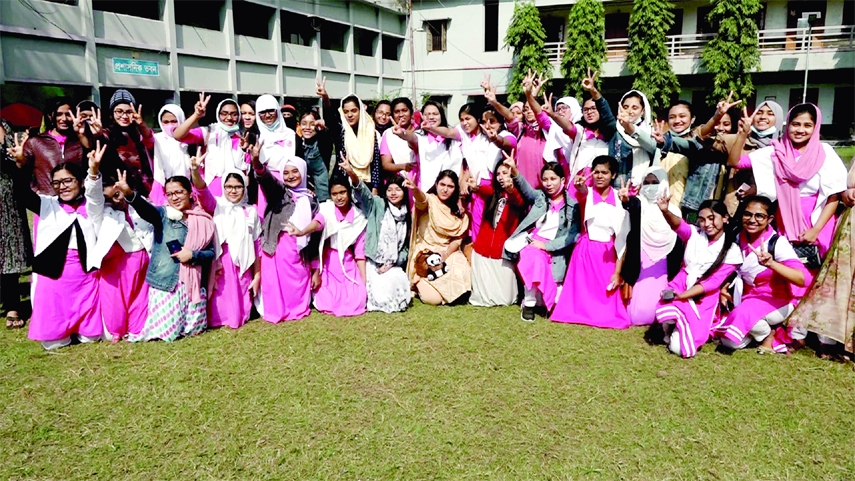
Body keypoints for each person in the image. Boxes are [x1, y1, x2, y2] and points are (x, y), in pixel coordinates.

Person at [729, 103, 847, 296]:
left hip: (818, 220)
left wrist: (815, 229)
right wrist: (743, 133)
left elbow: (833, 195)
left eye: (807, 125)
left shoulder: (824, 153)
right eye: (795, 124)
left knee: (817, 272)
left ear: (815, 127)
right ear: (787, 124)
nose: (800, 130)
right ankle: (785, 318)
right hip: (785, 218)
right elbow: (735, 162)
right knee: (788, 268)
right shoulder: (775, 151)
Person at [11, 158, 102, 349]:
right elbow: (21, 192)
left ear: (81, 181)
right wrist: (21, 166)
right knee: (54, 343)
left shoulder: (93, 206)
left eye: (68, 180)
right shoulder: (46, 204)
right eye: (57, 183)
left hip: (85, 277)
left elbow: (95, 193)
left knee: (91, 338)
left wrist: (93, 171)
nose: (63, 187)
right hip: (52, 276)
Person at [118, 169, 216, 343]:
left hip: (193, 284)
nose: (175, 197)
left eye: (179, 192)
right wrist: (129, 194)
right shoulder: (163, 214)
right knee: (166, 334)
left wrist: (192, 255)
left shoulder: (203, 219)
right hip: (166, 282)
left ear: (190, 193)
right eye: (170, 194)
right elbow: (146, 210)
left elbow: (210, 253)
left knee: (194, 331)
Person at [714, 196, 806, 353]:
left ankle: (769, 335)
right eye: (747, 214)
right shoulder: (736, 235)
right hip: (746, 295)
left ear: (769, 219)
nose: (752, 220)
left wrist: (771, 264)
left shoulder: (777, 243)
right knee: (729, 342)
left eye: (759, 216)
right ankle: (760, 332)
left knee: (744, 316)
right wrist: (724, 287)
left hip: (777, 299)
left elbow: (801, 278)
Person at [653, 199, 742, 358]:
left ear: (725, 218)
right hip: (681, 284)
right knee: (669, 312)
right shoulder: (694, 234)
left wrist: (683, 296)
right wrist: (665, 210)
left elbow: (712, 283)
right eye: (702, 219)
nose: (706, 224)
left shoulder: (732, 251)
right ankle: (672, 326)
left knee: (680, 348)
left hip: (703, 297)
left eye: (711, 218)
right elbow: (678, 225)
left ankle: (681, 328)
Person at [786, 158, 855, 358]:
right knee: (839, 280)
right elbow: (842, 185)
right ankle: (832, 338)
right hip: (850, 227)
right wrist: (846, 193)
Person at [419, 102, 516, 241]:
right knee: (476, 227)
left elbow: (506, 143)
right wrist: (432, 129)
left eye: (468, 119)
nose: (464, 123)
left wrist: (494, 138)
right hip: (476, 189)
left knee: (494, 226)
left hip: (494, 187)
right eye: (462, 119)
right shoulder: (464, 134)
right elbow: (448, 133)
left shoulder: (494, 136)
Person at [551, 156, 629, 328]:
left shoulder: (619, 198)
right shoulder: (588, 194)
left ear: (613, 175)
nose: (600, 176)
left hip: (608, 253)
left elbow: (622, 239)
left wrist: (617, 272)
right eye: (596, 172)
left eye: (604, 173)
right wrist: (579, 185)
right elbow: (582, 191)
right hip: (585, 250)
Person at [87, 142, 154, 341]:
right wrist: (93, 172)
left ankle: (135, 330)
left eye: (118, 194)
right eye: (110, 197)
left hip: (142, 260)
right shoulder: (101, 213)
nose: (116, 200)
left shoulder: (138, 205)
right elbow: (93, 197)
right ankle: (116, 332)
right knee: (114, 302)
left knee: (140, 299)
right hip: (114, 265)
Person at [250, 144, 315, 323]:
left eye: (295, 171)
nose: (291, 176)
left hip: (299, 250)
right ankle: (277, 310)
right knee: (275, 281)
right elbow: (266, 180)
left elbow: (316, 232)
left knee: (296, 279)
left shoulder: (310, 199)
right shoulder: (279, 192)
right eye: (286, 173)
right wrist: (256, 162)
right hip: (277, 246)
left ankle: (296, 307)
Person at [193, 160, 261, 329]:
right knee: (220, 290)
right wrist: (195, 172)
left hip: (243, 261)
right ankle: (218, 319)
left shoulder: (251, 211)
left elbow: (257, 244)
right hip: (221, 259)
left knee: (240, 289)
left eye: (238, 187)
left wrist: (258, 274)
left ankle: (240, 316)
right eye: (229, 187)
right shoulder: (217, 205)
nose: (233, 191)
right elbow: (202, 191)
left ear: (244, 189)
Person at [290, 173, 368, 317]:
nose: (339, 197)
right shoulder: (326, 209)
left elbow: (359, 254)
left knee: (358, 298)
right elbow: (317, 223)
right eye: (335, 194)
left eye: (342, 192)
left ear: (349, 192)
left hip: (347, 262)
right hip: (327, 261)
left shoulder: (359, 217)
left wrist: (364, 283)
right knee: (326, 299)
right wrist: (302, 232)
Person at [341, 158, 412, 313]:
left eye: (397, 189)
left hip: (392, 264)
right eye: (390, 190)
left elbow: (406, 248)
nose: (393, 193)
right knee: (380, 297)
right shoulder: (378, 205)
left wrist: (393, 263)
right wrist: (352, 173)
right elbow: (363, 192)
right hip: (373, 261)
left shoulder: (407, 215)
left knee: (397, 284)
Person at [621, 167, 682, 326]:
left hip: (663, 263)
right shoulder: (640, 205)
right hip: (641, 260)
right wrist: (626, 200)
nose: (650, 186)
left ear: (663, 183)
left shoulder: (674, 210)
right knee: (637, 313)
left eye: (655, 182)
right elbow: (631, 205)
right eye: (646, 183)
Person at [406, 170, 470, 305]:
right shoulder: (430, 201)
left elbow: (457, 238)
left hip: (447, 250)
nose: (445, 189)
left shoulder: (458, 211)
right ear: (436, 184)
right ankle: (419, 281)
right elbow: (421, 200)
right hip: (425, 251)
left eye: (450, 186)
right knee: (433, 299)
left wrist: (446, 253)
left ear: (455, 189)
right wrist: (415, 189)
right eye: (442, 184)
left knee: (460, 271)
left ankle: (444, 291)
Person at [468, 160, 525, 307]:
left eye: (505, 173)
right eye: (498, 174)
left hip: (503, 250)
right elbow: (483, 189)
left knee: (506, 298)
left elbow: (518, 200)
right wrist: (476, 187)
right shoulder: (493, 193)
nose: (501, 177)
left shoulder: (518, 195)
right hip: (483, 247)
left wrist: (511, 189)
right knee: (482, 293)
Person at [173, 94, 248, 198]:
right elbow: (177, 135)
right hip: (212, 193)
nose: (229, 118)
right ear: (218, 114)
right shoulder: (208, 132)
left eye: (234, 114)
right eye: (224, 114)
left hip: (237, 195)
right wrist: (197, 115)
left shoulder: (244, 137)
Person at [716, 100, 784, 215]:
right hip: (736, 208)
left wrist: (757, 189)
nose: (763, 117)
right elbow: (702, 140)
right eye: (759, 112)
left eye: (770, 113)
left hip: (770, 211)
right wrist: (717, 115)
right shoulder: (737, 139)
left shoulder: (782, 148)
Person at [14, 98, 92, 195]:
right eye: (59, 114)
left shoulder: (80, 140)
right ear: (50, 116)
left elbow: (92, 165)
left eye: (68, 114)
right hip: (48, 200)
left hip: (77, 201)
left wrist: (82, 136)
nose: (64, 119)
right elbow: (23, 173)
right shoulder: (36, 142)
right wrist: (36, 191)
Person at [316, 78, 382, 189]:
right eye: (346, 112)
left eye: (354, 111)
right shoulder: (341, 131)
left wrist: (375, 188)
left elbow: (375, 162)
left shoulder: (370, 131)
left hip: (367, 184)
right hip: (344, 184)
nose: (349, 115)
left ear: (360, 111)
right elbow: (330, 119)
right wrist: (325, 97)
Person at [484, 73, 546, 187]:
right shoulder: (520, 130)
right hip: (522, 186)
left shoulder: (547, 131)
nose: (528, 111)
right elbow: (510, 116)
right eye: (526, 109)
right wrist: (494, 102)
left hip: (545, 187)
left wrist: (531, 94)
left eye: (532, 108)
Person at [0, 120, 32, 328]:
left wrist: (22, 158)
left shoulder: (10, 131)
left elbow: (24, 167)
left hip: (8, 201)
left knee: (10, 253)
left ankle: (12, 305)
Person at [391, 101, 463, 191]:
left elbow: (448, 133)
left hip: (450, 189)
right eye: (427, 114)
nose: (431, 117)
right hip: (426, 189)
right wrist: (402, 133)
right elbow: (412, 137)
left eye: (435, 114)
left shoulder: (452, 134)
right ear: (422, 116)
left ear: (442, 115)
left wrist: (431, 128)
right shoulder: (420, 136)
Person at [101, 89, 155, 196]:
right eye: (119, 111)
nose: (124, 116)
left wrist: (141, 124)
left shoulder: (139, 134)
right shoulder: (106, 134)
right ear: (112, 112)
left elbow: (150, 140)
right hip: (116, 191)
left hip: (142, 191)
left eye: (129, 112)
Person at [253, 94, 298, 214]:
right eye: (262, 112)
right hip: (265, 187)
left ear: (277, 111)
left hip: (291, 183)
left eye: (270, 111)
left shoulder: (292, 135)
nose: (267, 115)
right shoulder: (254, 137)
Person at [611, 90, 657, 185]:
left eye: (635, 108)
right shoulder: (615, 130)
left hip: (643, 184)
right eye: (626, 107)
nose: (629, 111)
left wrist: (629, 128)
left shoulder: (650, 131)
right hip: (619, 184)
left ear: (642, 111)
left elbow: (652, 147)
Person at [150, 104, 190, 205]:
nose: (170, 125)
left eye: (174, 121)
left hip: (187, 187)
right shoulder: (156, 139)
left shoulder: (190, 139)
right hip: (164, 188)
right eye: (166, 122)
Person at [298, 109, 333, 202]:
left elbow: (326, 138)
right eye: (304, 123)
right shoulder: (298, 145)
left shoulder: (322, 144)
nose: (307, 127)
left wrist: (322, 129)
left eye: (312, 124)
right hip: (303, 195)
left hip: (322, 197)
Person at [380, 97, 416, 177]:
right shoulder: (389, 134)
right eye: (397, 112)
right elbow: (386, 164)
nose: (401, 115)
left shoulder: (421, 131)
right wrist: (403, 166)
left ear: (411, 112)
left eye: (404, 110)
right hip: (400, 181)